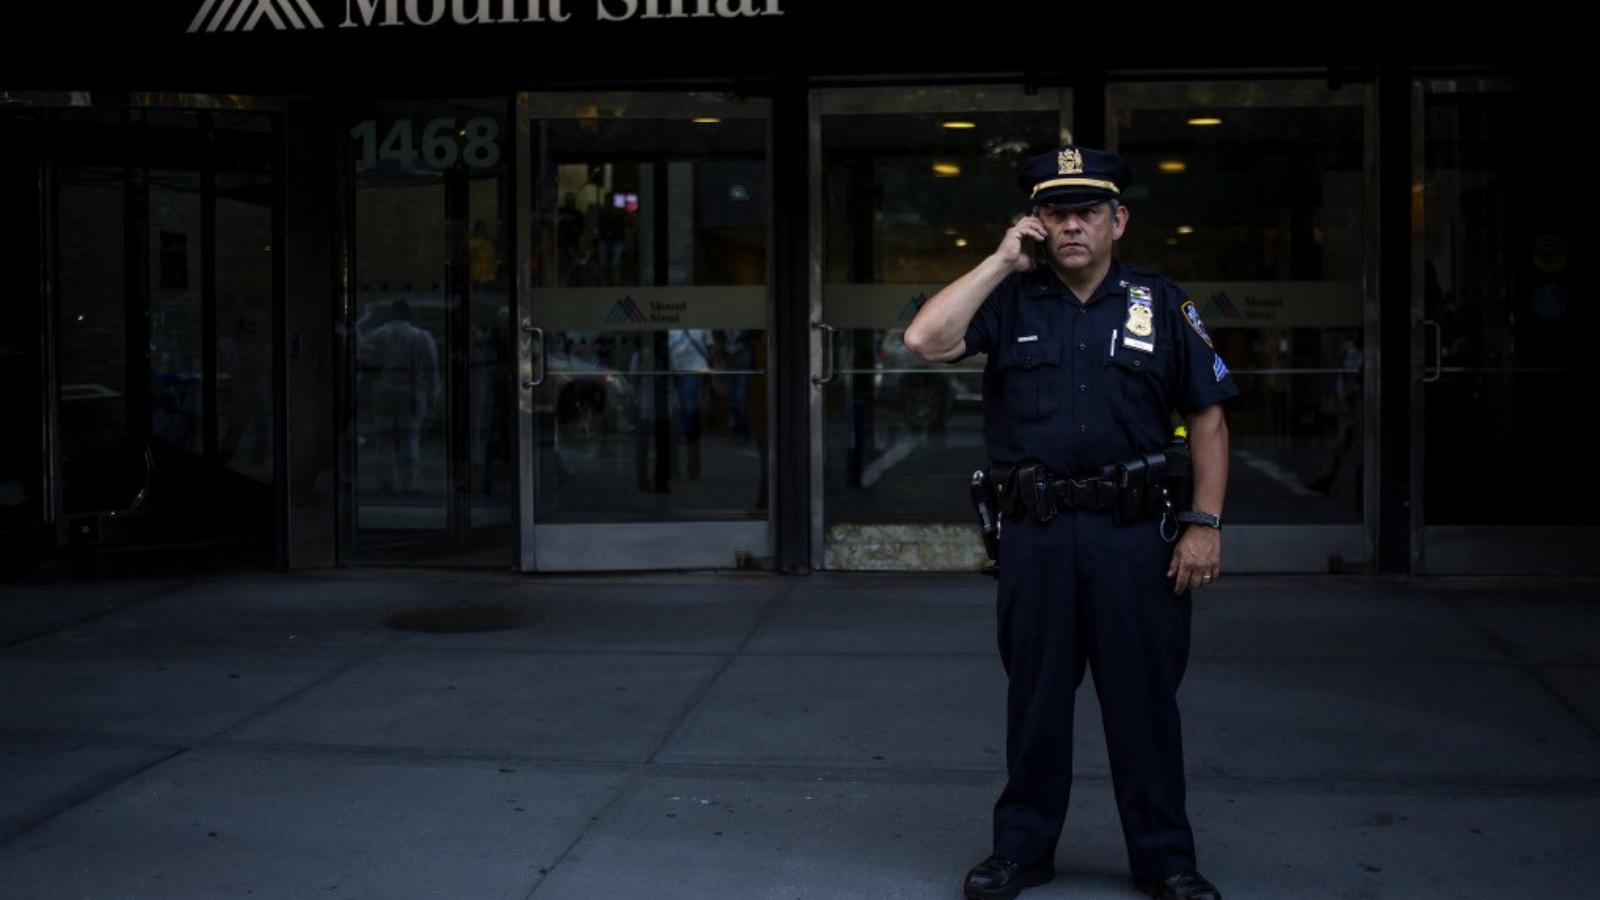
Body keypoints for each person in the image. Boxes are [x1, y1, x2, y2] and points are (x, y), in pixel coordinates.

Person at [904, 146, 1238, 900]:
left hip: (1136, 539)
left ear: (1118, 219)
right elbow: (925, 341)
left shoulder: (1160, 301)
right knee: (1037, 700)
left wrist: (1204, 523)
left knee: (1144, 704)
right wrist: (998, 261)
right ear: (1036, 222)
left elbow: (1208, 418)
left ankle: (1165, 859)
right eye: (1055, 212)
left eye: (1089, 210)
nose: (1072, 225)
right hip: (1039, 535)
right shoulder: (1012, 301)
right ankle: (1021, 850)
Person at [359, 298, 440, 494]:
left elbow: (362, 355)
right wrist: (433, 394)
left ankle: (386, 482)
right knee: (410, 437)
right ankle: (409, 483)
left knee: (384, 438)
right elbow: (432, 368)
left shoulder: (379, 334)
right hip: (412, 391)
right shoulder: (421, 336)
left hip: (385, 389)